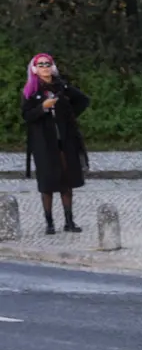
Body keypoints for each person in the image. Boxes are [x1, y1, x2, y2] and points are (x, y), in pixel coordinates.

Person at [20, 52, 89, 235]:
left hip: (64, 140)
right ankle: (49, 223)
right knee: (48, 182)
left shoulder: (62, 86)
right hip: (43, 142)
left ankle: (69, 221)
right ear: (35, 69)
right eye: (41, 65)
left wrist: (67, 117)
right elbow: (27, 116)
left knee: (67, 179)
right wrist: (43, 107)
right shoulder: (30, 91)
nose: (45, 67)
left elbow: (82, 100)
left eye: (47, 64)